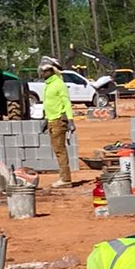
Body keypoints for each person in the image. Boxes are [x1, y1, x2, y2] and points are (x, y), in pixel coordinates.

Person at [40, 56, 75, 187]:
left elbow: (66, 102)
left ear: (51, 71)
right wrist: (46, 119)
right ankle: (64, 177)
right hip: (52, 120)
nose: (42, 73)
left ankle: (65, 179)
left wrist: (70, 120)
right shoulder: (49, 84)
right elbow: (50, 104)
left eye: (44, 71)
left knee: (60, 150)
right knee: (57, 149)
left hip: (59, 121)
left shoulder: (59, 84)